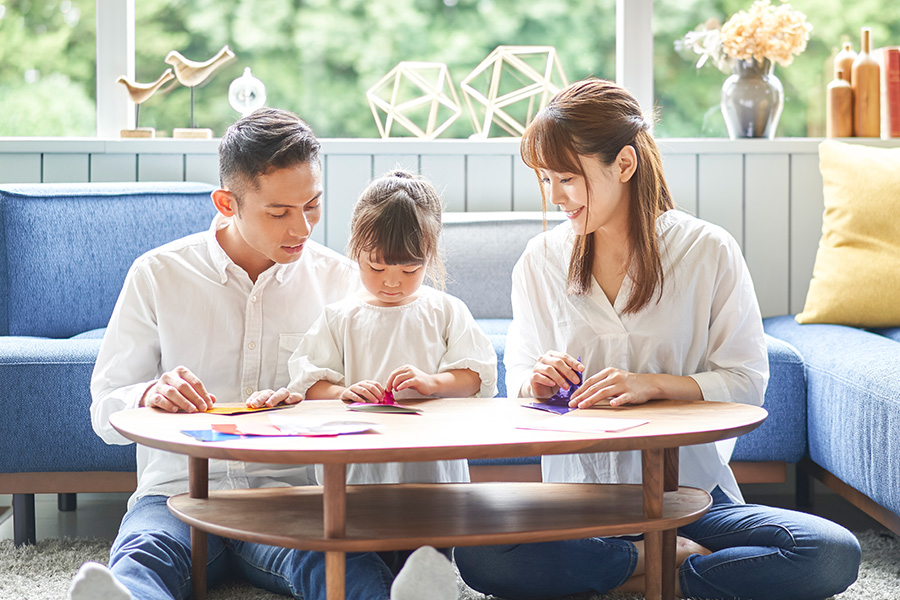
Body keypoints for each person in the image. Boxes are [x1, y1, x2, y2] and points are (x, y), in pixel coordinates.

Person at [453, 79, 861, 600]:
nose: (554, 196)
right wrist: (536, 382)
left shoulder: (707, 250)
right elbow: (520, 392)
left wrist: (655, 385)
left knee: (830, 552)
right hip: (581, 504)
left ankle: (635, 577)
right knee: (479, 550)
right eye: (545, 180)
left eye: (567, 178)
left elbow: (747, 383)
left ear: (624, 164)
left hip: (691, 501)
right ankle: (657, 564)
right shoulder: (540, 260)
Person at [68, 108, 457, 600]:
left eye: (312, 206)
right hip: (177, 494)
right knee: (144, 555)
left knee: (338, 562)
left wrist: (323, 402)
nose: (302, 228)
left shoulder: (343, 283)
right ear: (227, 202)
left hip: (293, 497)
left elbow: (369, 409)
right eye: (279, 212)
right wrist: (149, 393)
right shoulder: (158, 274)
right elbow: (104, 411)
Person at [280, 169, 497, 486]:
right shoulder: (341, 316)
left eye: (410, 268)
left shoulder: (445, 310)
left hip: (432, 463)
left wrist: (433, 382)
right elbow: (307, 384)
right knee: (362, 527)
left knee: (432, 528)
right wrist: (344, 393)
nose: (392, 281)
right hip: (360, 464)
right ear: (356, 251)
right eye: (376, 267)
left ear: (430, 255)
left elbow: (476, 376)